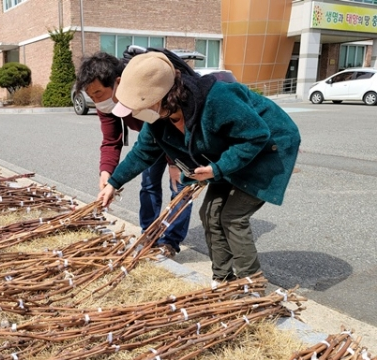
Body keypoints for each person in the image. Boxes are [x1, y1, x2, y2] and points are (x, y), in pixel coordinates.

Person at [98, 52, 301, 281]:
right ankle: (223, 279)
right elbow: (142, 153)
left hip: (268, 147)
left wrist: (219, 168)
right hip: (229, 151)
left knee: (232, 217)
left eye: (135, 107)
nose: (134, 114)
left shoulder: (217, 99)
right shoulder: (158, 119)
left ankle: (250, 285)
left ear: (156, 98)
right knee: (210, 214)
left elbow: (255, 136)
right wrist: (114, 183)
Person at [75, 50, 191, 256]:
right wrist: (107, 173)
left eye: (99, 94)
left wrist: (176, 162)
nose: (96, 101)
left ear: (118, 82)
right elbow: (111, 140)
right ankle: (149, 232)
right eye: (91, 96)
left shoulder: (145, 85)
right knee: (148, 184)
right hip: (149, 141)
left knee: (180, 189)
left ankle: (170, 242)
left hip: (177, 140)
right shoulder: (106, 104)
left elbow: (174, 123)